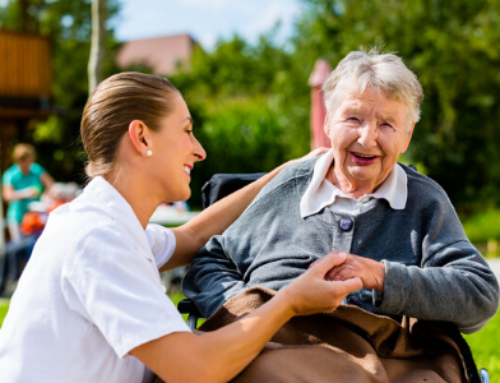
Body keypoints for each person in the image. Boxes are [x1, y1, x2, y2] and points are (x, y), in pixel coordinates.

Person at [0, 72, 362, 383]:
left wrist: (283, 175)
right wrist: (291, 301)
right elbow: (197, 368)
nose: (199, 150)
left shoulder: (101, 223)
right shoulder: (98, 239)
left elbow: (192, 236)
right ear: (142, 138)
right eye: (187, 131)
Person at [183, 50, 499, 334]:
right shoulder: (289, 187)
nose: (367, 138)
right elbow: (211, 261)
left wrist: (381, 277)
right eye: (353, 118)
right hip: (270, 359)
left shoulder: (424, 202)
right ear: (329, 123)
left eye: (387, 124)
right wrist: (248, 313)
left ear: (407, 136)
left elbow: (480, 293)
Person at [2, 143, 54, 242]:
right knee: (20, 248)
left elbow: (50, 185)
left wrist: (46, 195)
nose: (28, 165)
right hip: (18, 218)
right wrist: (25, 193)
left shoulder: (36, 169)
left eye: (29, 161)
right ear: (18, 161)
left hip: (36, 217)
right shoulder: (10, 175)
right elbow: (7, 195)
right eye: (25, 162)